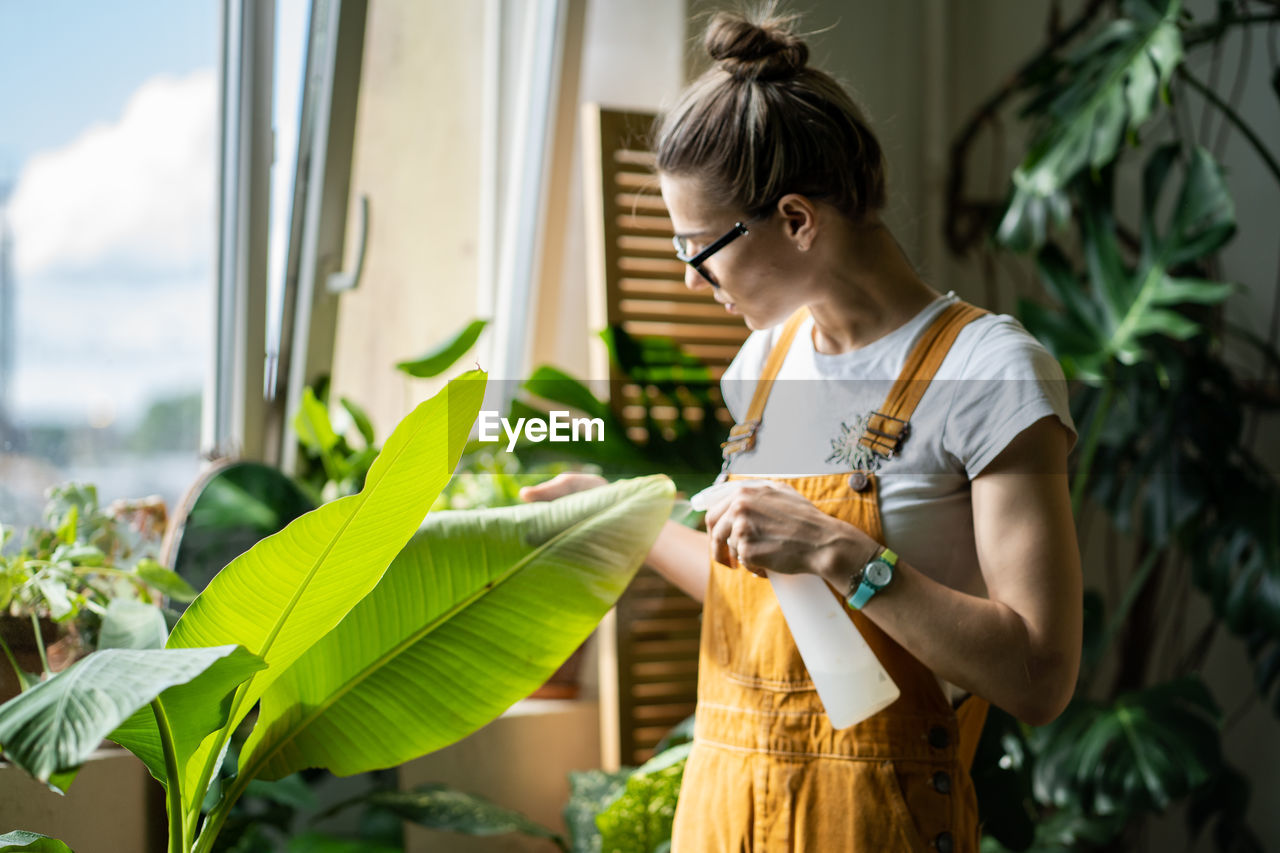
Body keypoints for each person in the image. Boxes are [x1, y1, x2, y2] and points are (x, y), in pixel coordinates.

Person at [523, 7, 1082, 851]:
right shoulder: (763, 365)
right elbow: (774, 609)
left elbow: (1039, 678)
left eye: (698, 249)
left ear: (794, 219)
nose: (691, 279)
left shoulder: (992, 372)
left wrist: (839, 549)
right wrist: (614, 518)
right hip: (723, 816)